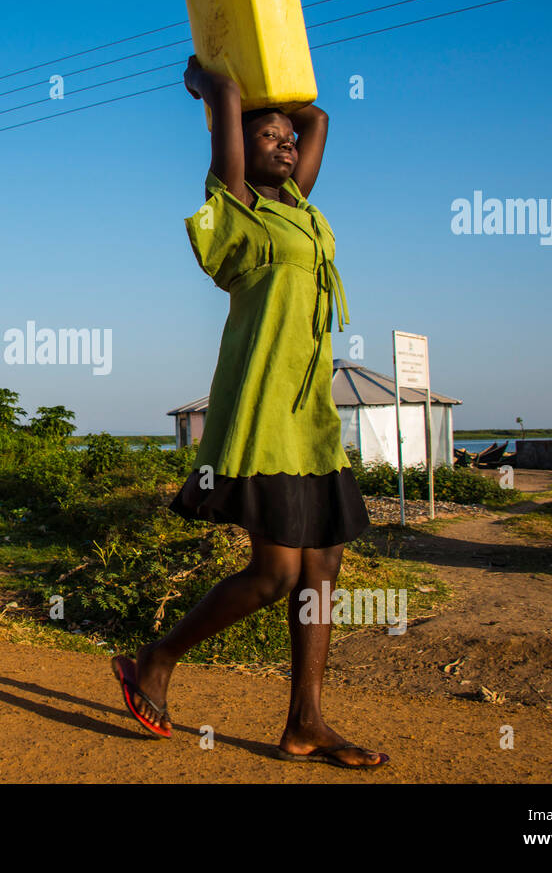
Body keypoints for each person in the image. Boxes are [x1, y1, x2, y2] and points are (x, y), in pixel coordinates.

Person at [111, 57, 385, 769]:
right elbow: (229, 107)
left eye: (285, 138)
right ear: (237, 149)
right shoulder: (236, 209)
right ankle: (158, 658)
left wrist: (281, 85)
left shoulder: (300, 207)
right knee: (275, 574)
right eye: (268, 136)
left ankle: (306, 722)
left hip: (311, 417)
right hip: (265, 414)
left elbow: (318, 116)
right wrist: (217, 83)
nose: (286, 140)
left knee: (322, 563)